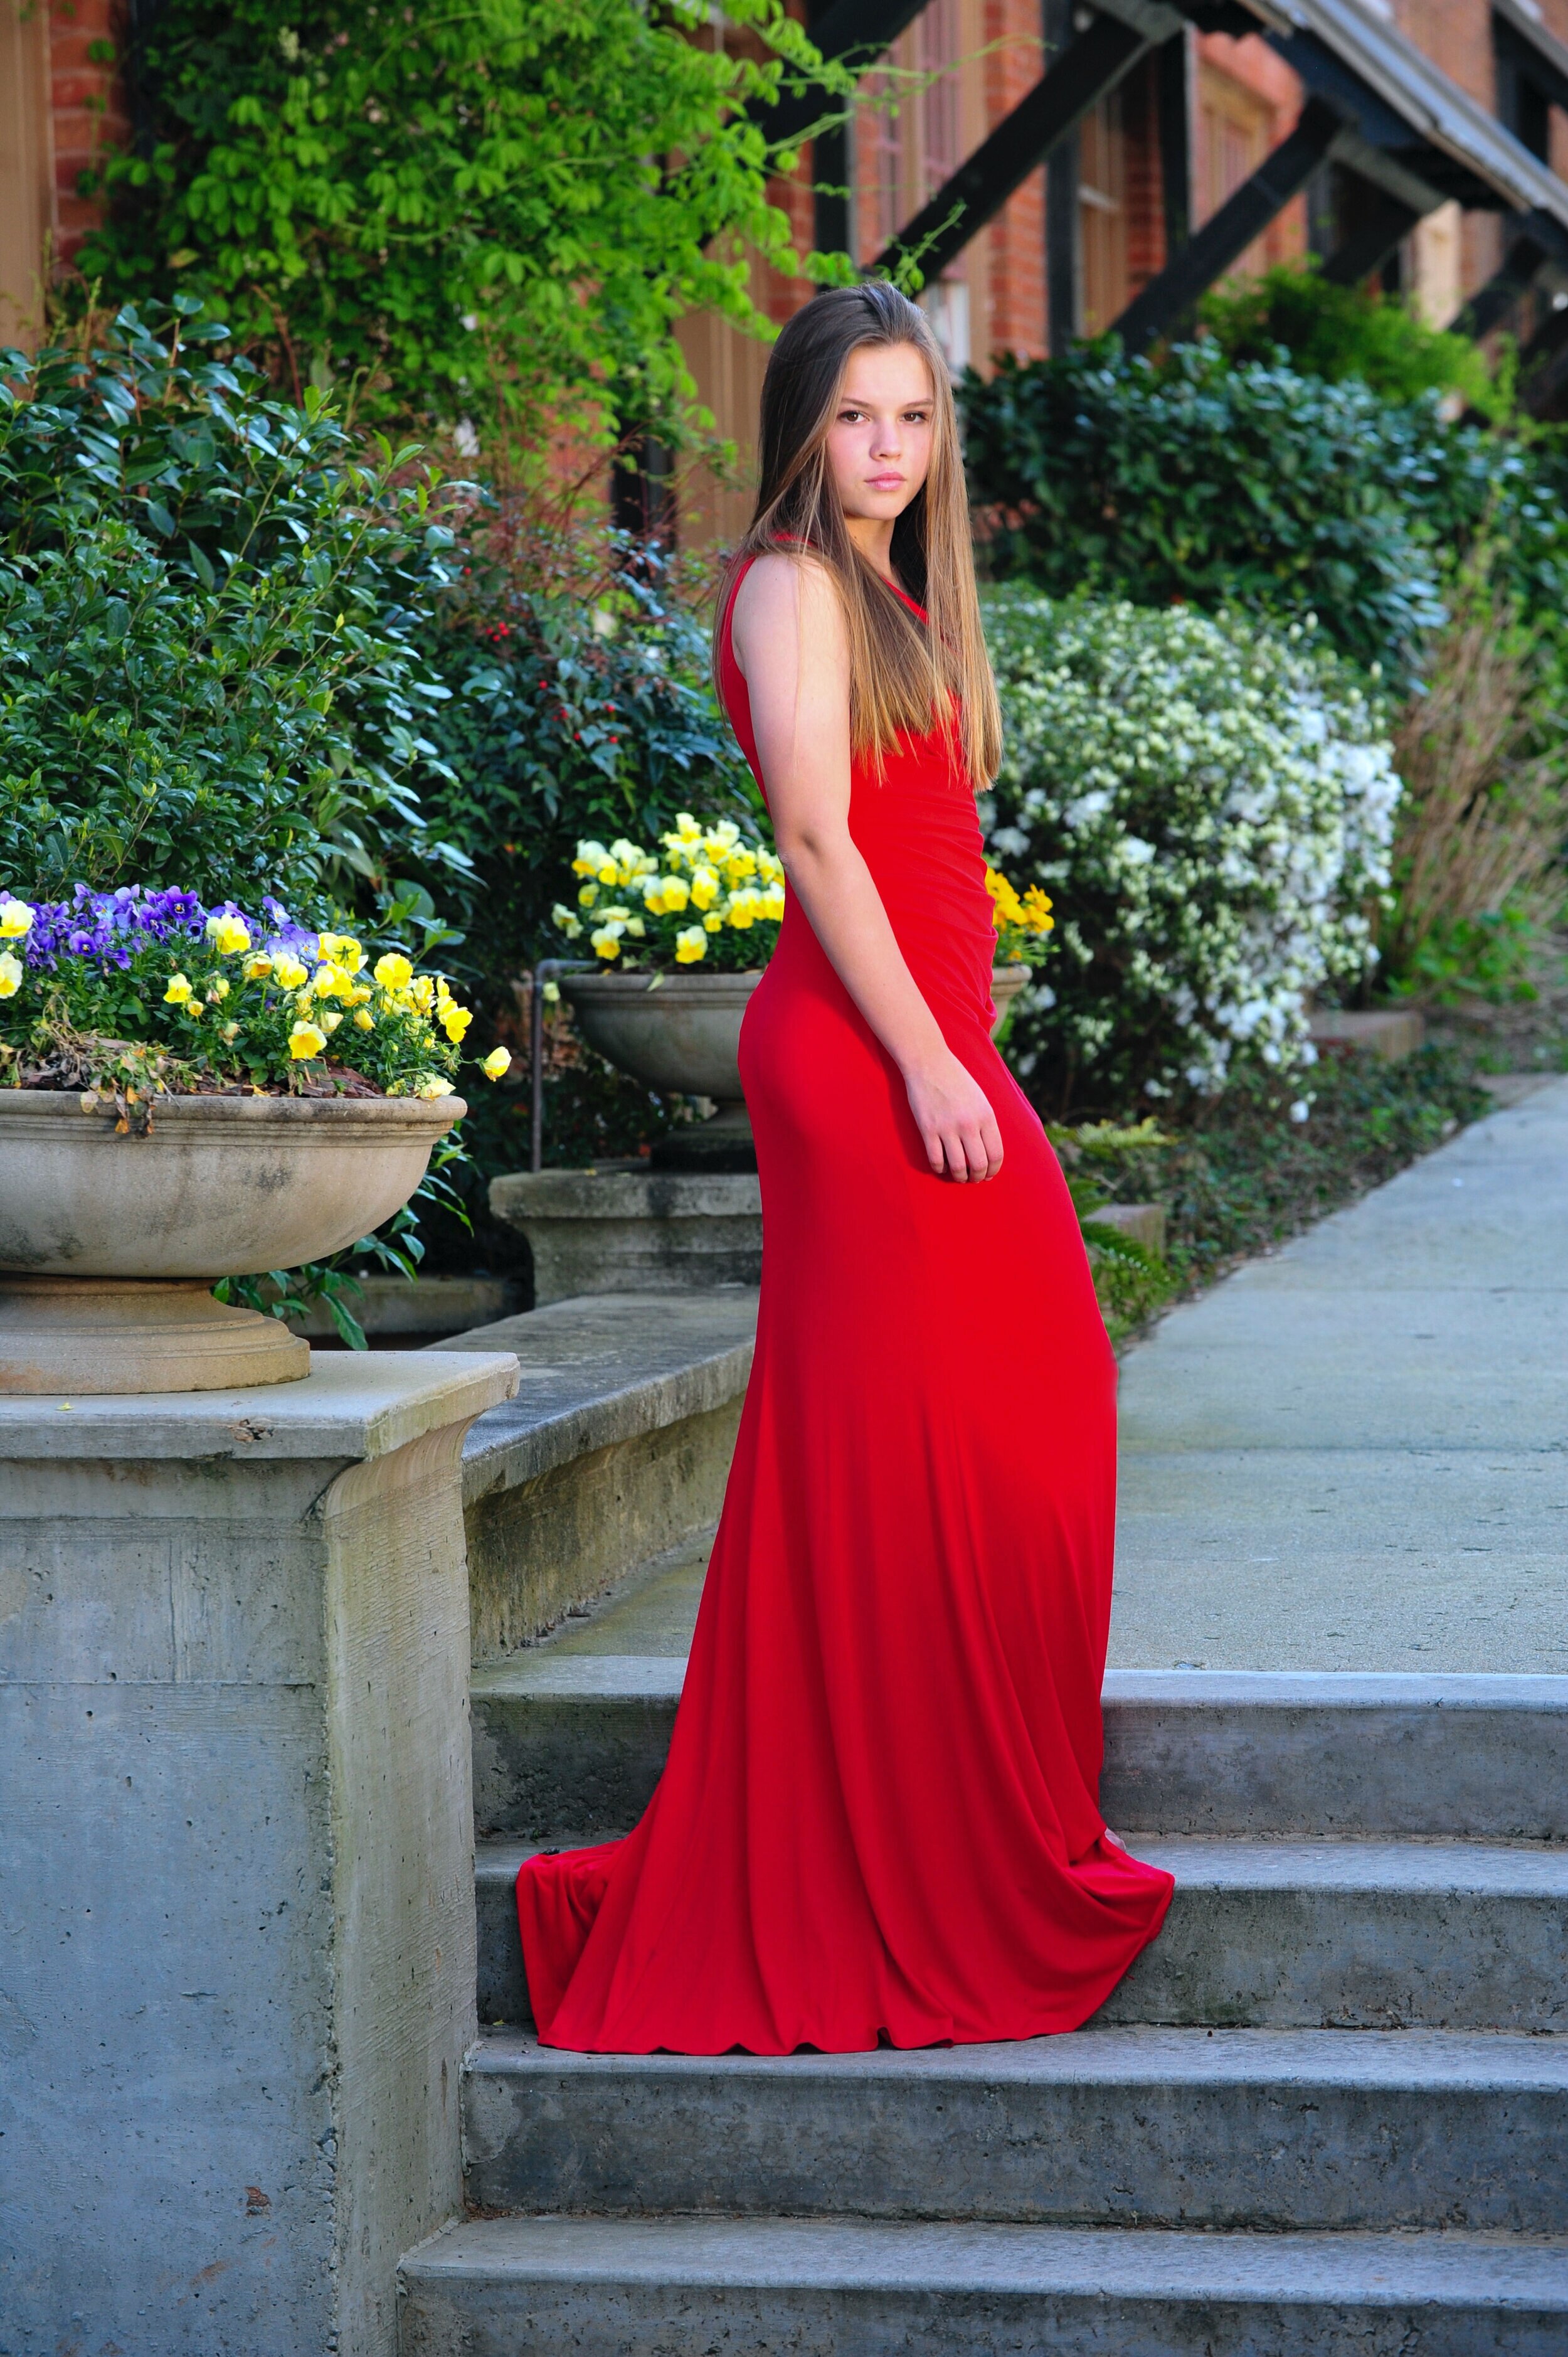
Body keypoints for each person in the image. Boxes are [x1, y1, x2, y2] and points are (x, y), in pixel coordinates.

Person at [515, 282, 1173, 2055]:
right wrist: (928, 1059)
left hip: (920, 1047)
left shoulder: (892, 591)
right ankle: (900, 1844)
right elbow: (811, 835)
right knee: (938, 1431)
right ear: (800, 427)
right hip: (863, 1061)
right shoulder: (792, 583)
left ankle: (958, 1804)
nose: (886, 449)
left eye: (913, 417)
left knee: (1012, 1419)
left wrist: (955, 1043)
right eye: (855, 417)